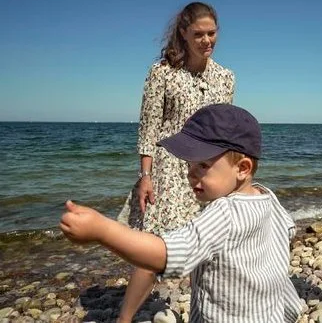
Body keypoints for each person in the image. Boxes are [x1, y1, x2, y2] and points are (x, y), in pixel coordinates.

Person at [61, 104, 302, 323]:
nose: (190, 174)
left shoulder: (224, 213)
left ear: (242, 168)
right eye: (189, 165)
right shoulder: (266, 196)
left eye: (203, 166)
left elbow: (166, 255)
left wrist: (103, 230)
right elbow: (288, 231)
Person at [116, 2, 235, 322]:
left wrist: (232, 177)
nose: (207, 40)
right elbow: (149, 127)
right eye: (199, 34)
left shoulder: (226, 77)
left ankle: (203, 314)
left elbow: (225, 132)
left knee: (206, 247)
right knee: (153, 248)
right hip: (169, 170)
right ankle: (124, 318)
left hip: (209, 171)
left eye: (212, 34)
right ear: (183, 33)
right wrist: (145, 175)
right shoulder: (162, 73)